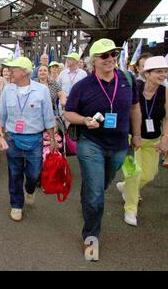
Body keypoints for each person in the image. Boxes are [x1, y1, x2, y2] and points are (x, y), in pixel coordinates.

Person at [64, 38, 142, 260]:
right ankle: (91, 239)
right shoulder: (83, 86)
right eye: (104, 56)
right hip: (91, 144)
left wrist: (136, 135)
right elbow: (68, 113)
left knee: (98, 186)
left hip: (119, 145)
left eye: (113, 54)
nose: (110, 59)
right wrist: (84, 119)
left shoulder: (128, 80)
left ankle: (89, 194)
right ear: (93, 61)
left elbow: (135, 109)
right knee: (96, 196)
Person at [0, 57, 57, 222]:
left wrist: (52, 139)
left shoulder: (41, 90)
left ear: (24, 72)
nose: (9, 72)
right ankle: (16, 204)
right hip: (13, 138)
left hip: (35, 140)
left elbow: (48, 116)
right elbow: (1, 115)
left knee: (33, 173)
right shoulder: (8, 90)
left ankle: (30, 189)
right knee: (14, 173)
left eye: (13, 69)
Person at [115, 56, 168, 226]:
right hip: (131, 140)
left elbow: (167, 119)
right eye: (159, 71)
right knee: (134, 173)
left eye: (165, 72)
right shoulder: (134, 88)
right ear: (147, 73)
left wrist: (165, 139)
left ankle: (126, 187)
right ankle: (131, 209)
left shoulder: (165, 92)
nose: (163, 75)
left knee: (150, 174)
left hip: (153, 141)